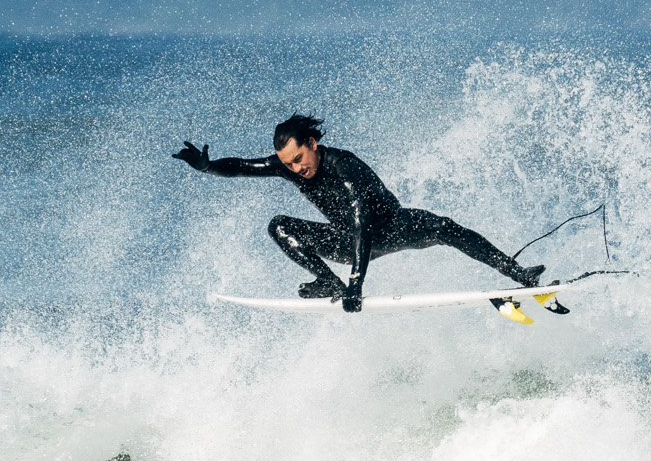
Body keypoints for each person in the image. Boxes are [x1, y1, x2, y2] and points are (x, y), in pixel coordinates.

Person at [174, 115, 543, 313]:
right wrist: (207, 168)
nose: (295, 169)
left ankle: (518, 273)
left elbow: (363, 223)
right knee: (279, 226)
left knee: (446, 228)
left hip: (392, 228)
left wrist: (358, 283)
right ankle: (327, 282)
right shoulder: (290, 166)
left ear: (313, 145)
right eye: (287, 164)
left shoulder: (344, 167)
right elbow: (242, 166)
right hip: (346, 239)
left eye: (299, 159)